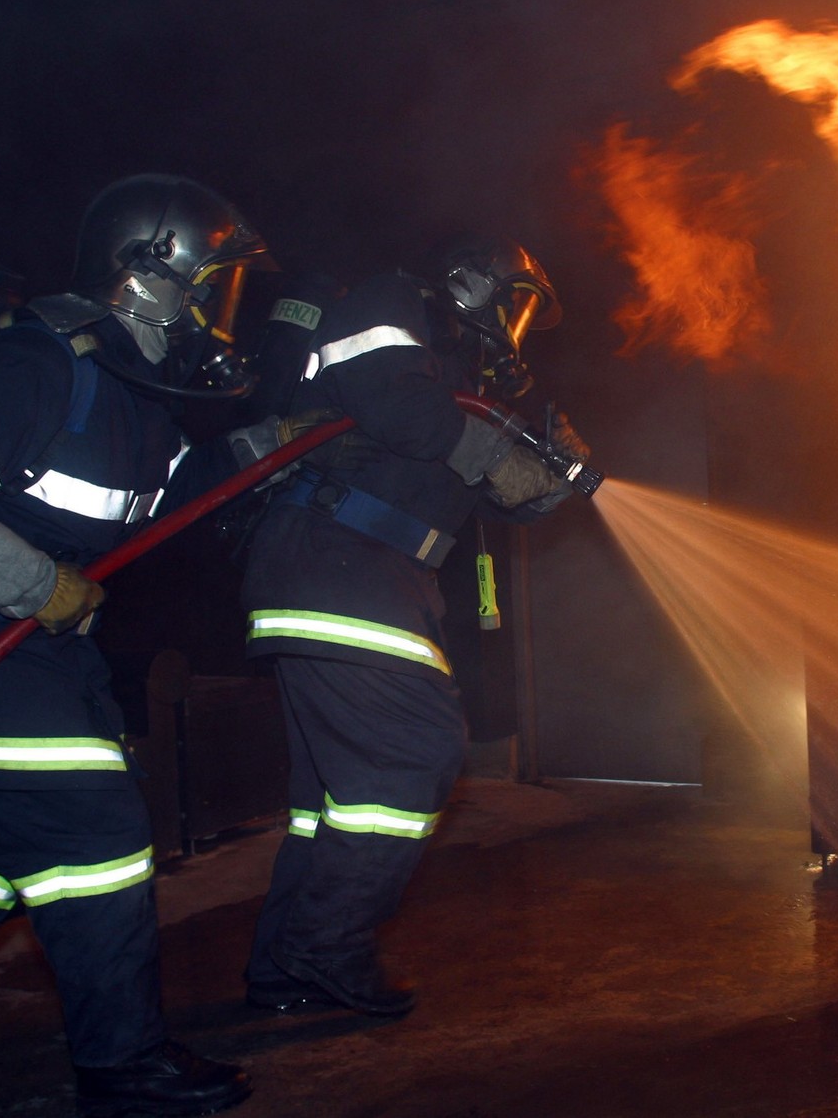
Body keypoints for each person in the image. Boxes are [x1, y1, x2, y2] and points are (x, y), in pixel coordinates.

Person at [0, 174, 305, 1118]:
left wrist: (264, 446)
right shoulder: (36, 367)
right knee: (97, 834)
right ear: (146, 277)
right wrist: (38, 584)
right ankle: (121, 1064)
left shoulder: (137, 398)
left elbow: (170, 499)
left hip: (32, 658)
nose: (219, 307)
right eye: (211, 282)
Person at [239, 237, 588, 1017]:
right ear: (471, 282)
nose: (517, 324)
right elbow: (391, 399)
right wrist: (495, 452)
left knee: (327, 800)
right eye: (516, 299)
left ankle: (282, 968)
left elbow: (502, 492)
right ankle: (325, 946)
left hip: (370, 572)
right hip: (336, 559)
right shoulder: (392, 302)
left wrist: (552, 477)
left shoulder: (460, 381)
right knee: (415, 752)